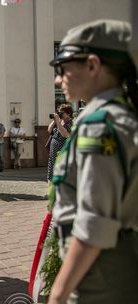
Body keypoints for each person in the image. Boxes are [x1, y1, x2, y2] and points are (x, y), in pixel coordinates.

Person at [47, 20, 138, 303]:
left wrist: (58, 294)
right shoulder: (119, 113)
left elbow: (94, 224)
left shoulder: (100, 125)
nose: (58, 80)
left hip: (100, 275)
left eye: (63, 68)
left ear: (93, 65)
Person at [46, 104, 73, 182]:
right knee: (51, 172)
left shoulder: (70, 123)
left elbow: (65, 134)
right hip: (53, 153)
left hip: (62, 152)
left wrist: (58, 122)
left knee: (61, 170)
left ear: (68, 114)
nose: (60, 114)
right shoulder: (59, 122)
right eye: (59, 112)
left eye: (62, 113)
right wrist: (55, 121)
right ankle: (50, 189)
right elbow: (49, 130)